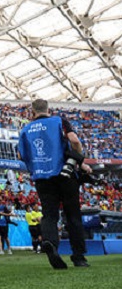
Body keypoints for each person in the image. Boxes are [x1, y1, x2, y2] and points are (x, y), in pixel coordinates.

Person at [18, 99, 92, 269]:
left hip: (42, 177)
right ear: (47, 109)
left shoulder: (25, 129)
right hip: (64, 174)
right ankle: (79, 257)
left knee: (49, 214)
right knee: (72, 215)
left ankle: (50, 242)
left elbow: (21, 156)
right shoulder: (59, 121)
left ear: (32, 111)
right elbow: (74, 141)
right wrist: (78, 161)